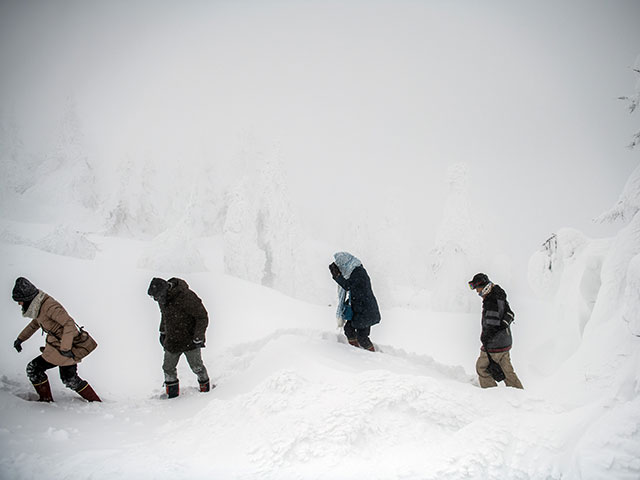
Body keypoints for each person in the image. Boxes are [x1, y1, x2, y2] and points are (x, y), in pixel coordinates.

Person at [11, 277, 101, 402]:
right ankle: (95, 402)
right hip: (57, 347)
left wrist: (65, 348)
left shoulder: (49, 307)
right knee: (69, 379)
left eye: (20, 300)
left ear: (27, 298)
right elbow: (35, 324)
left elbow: (69, 324)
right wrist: (20, 339)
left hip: (65, 348)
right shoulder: (38, 307)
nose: (19, 304)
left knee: (35, 369)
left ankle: (46, 401)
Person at [147, 277, 211, 399]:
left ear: (164, 289)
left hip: (190, 340)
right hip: (172, 340)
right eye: (153, 297)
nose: (156, 299)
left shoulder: (186, 297)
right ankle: (172, 395)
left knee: (197, 367)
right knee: (168, 368)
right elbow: (165, 316)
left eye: (156, 296)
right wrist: (163, 332)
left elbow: (202, 316)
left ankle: (206, 390)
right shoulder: (162, 298)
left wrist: (198, 336)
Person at [468, 273, 523, 389]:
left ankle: (491, 397)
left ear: (484, 287)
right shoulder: (499, 295)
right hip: (505, 341)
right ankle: (519, 395)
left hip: (495, 345)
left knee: (481, 368)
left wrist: (485, 339)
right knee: (507, 372)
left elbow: (491, 325)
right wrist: (504, 325)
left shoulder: (491, 302)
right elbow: (510, 314)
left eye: (478, 289)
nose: (478, 293)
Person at [329, 252, 381, 352]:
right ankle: (355, 352)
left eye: (340, 265)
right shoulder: (354, 271)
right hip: (360, 309)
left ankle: (373, 356)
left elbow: (348, 286)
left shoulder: (358, 273)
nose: (341, 268)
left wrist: (337, 276)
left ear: (345, 263)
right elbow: (356, 290)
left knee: (362, 338)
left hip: (365, 311)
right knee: (349, 330)